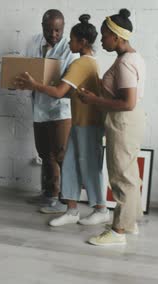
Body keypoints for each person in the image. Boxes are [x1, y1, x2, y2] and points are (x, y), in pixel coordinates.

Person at [17, 14, 109, 227]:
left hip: (84, 123)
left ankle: (98, 208)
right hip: (80, 121)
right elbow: (71, 93)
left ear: (82, 42)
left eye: (72, 39)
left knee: (83, 166)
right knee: (69, 165)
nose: (68, 42)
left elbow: (59, 92)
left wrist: (35, 85)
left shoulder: (80, 64)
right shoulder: (86, 62)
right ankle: (72, 209)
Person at [78, 9, 146, 246]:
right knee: (130, 174)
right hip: (130, 120)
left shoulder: (125, 63)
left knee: (121, 177)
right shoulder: (131, 57)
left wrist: (93, 100)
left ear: (117, 38)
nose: (102, 39)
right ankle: (130, 222)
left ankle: (118, 232)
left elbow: (128, 102)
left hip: (123, 121)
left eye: (105, 35)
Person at [24, 9, 75, 213]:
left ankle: (64, 199)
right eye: (49, 30)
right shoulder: (34, 42)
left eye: (58, 30)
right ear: (42, 27)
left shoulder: (69, 49)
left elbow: (67, 85)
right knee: (45, 153)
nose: (53, 34)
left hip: (61, 110)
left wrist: (35, 83)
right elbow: (25, 67)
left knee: (60, 154)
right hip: (40, 107)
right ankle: (49, 193)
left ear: (63, 28)